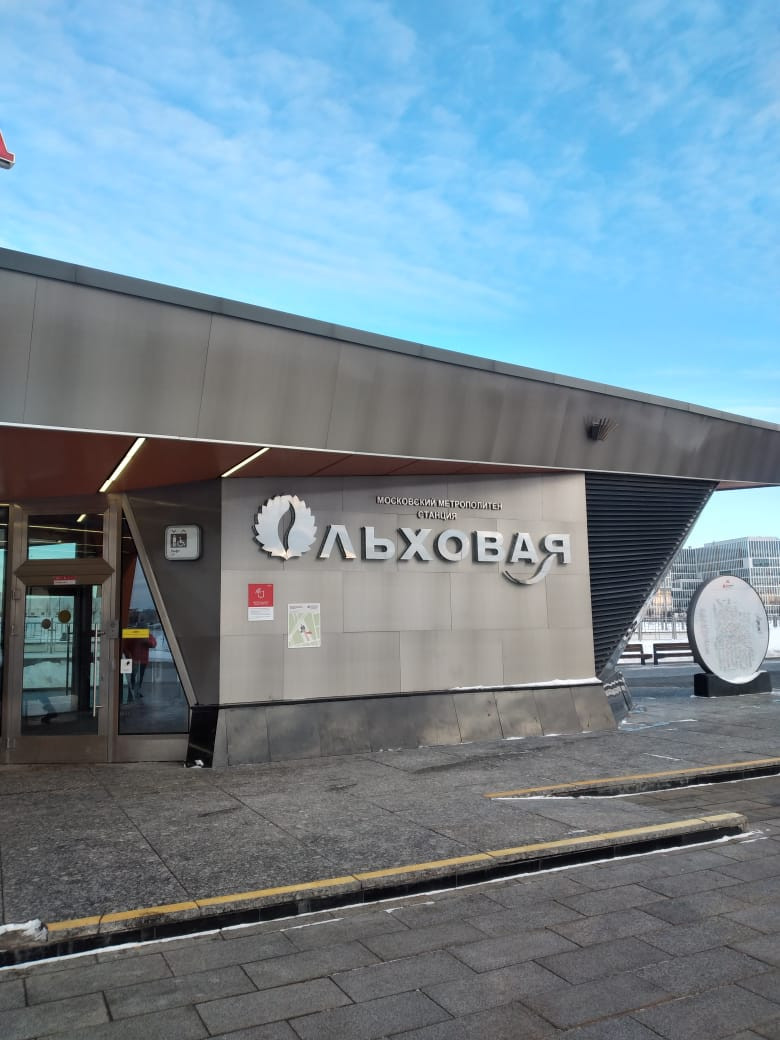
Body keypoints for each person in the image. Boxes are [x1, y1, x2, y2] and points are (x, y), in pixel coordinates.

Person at [123, 625, 157, 701]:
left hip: (142, 661)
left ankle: (136, 692)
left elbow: (153, 644)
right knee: (131, 677)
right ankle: (131, 692)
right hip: (131, 661)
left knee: (140, 677)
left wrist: (146, 640)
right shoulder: (132, 634)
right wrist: (129, 656)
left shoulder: (147, 635)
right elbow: (124, 646)